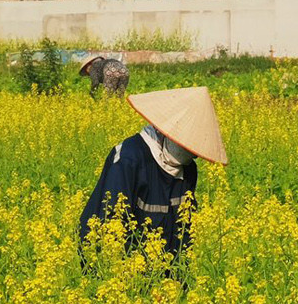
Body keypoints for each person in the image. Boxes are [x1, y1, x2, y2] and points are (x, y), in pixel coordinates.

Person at [78, 85, 227, 266]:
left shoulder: (188, 169)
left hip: (163, 274)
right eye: (186, 147)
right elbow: (110, 225)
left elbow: (184, 230)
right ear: (166, 132)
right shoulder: (128, 160)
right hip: (122, 269)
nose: (192, 155)